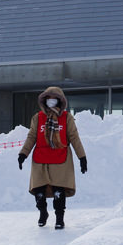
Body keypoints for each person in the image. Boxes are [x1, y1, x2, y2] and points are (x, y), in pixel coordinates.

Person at [18, 86, 87, 230]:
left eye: (54, 99)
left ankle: (59, 218)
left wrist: (82, 157)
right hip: (40, 159)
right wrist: (23, 153)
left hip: (60, 158)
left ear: (60, 101)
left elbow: (74, 137)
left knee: (58, 191)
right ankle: (43, 212)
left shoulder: (66, 118)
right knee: (39, 191)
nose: (51, 102)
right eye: (48, 99)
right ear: (44, 101)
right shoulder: (38, 118)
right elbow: (32, 136)